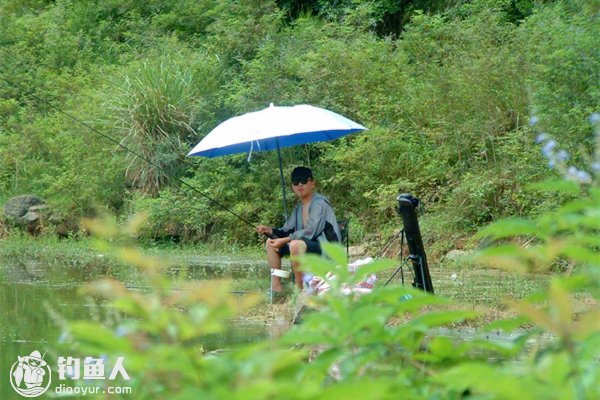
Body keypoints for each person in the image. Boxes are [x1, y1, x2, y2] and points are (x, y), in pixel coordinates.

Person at [256, 166, 341, 295]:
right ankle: (276, 288)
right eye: (296, 182)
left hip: (327, 249)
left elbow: (311, 231)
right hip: (307, 246)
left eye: (304, 181)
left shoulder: (320, 204)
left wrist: (286, 239)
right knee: (270, 243)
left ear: (312, 183)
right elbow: (286, 230)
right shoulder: (298, 209)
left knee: (295, 244)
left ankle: (299, 289)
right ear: (292, 186)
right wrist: (269, 230)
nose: (300, 185)